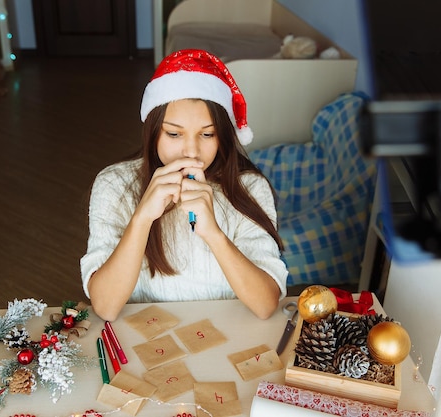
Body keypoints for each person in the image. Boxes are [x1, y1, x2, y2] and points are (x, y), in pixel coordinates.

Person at [81, 49, 289, 322]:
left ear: (222, 135)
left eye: (207, 134)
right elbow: (106, 307)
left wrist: (213, 233)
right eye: (174, 133)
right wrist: (142, 217)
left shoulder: (249, 187)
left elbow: (264, 305)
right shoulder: (114, 184)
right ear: (153, 131)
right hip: (143, 340)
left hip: (229, 337)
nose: (191, 151)